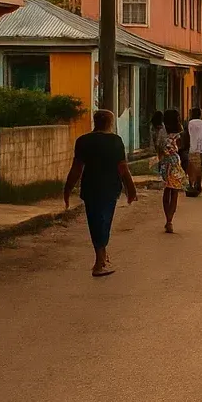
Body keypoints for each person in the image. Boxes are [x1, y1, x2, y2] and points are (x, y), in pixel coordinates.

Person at [63, 109, 137, 277]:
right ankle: (99, 261)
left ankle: (101, 255)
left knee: (95, 221)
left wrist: (67, 188)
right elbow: (123, 168)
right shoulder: (116, 141)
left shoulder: (83, 141)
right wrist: (130, 188)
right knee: (104, 220)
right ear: (110, 123)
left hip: (90, 187)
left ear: (95, 122)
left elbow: (76, 168)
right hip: (110, 188)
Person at [156, 108, 189, 234]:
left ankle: (167, 218)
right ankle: (170, 220)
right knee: (175, 192)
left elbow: (158, 148)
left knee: (167, 190)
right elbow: (181, 147)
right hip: (175, 162)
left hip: (164, 162)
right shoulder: (179, 132)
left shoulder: (161, 132)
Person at [185, 107, 202, 197]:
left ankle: (191, 184)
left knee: (191, 167)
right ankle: (198, 184)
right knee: (199, 168)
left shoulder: (190, 123)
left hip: (192, 147)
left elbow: (188, 135)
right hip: (200, 148)